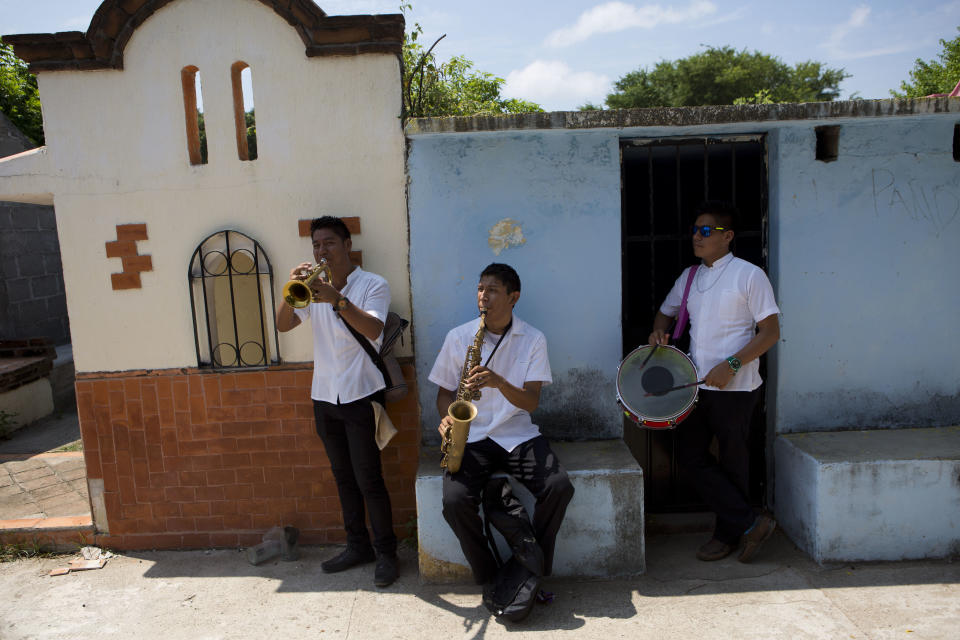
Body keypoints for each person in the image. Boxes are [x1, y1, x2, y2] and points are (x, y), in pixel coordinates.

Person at [649, 201, 781, 563]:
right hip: (696, 385)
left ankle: (727, 535)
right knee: (691, 457)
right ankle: (750, 523)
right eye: (695, 230)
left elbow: (770, 332)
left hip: (736, 388)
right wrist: (659, 330)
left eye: (706, 231)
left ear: (728, 236)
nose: (697, 236)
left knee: (735, 461)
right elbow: (666, 312)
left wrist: (733, 363)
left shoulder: (748, 275)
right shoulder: (691, 277)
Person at [429, 263, 575, 585]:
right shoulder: (459, 337)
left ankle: (533, 567)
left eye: (492, 289)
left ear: (513, 297)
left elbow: (531, 401)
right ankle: (489, 574)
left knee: (559, 487)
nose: (483, 296)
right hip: (472, 435)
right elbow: (443, 394)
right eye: (480, 288)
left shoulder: (534, 339)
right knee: (454, 503)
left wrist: (499, 382)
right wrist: (447, 419)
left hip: (516, 432)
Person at [275, 216, 398, 587]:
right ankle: (357, 546)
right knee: (343, 478)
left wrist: (337, 299)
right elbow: (283, 325)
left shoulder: (373, 284)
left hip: (362, 394)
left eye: (328, 243)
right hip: (324, 396)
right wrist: (291, 288)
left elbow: (374, 329)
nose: (320, 251)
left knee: (369, 479)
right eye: (315, 245)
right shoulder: (310, 289)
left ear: (347, 245)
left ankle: (387, 553)